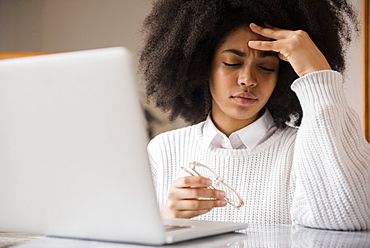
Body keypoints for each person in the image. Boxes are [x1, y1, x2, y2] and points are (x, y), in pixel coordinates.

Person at [139, 0, 370, 231]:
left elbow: (350, 219)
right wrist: (164, 220)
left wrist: (317, 73)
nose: (248, 79)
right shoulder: (163, 150)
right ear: (201, 66)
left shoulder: (303, 149)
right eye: (232, 63)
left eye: (266, 67)